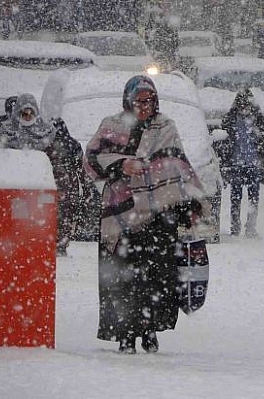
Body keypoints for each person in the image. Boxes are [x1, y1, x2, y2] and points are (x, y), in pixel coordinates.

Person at [84, 75, 211, 354]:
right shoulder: (112, 126)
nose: (145, 106)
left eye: (150, 100)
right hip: (121, 217)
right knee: (123, 277)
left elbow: (178, 167)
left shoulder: (166, 127)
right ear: (128, 101)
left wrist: (188, 206)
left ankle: (150, 330)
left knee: (157, 277)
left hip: (158, 217)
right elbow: (91, 159)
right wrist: (121, 164)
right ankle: (125, 334)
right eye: (139, 100)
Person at [0, 93, 84, 256]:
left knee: (46, 216)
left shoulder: (48, 133)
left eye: (30, 113)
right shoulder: (6, 134)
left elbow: (60, 162)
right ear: (16, 113)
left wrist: (55, 184)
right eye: (23, 113)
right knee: (18, 217)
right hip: (16, 186)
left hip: (43, 186)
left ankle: (53, 244)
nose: (27, 117)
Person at [220, 89, 264, 237]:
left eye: (247, 105)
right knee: (236, 197)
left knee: (253, 198)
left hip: (253, 165)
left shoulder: (257, 121)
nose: (244, 109)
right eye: (241, 105)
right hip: (237, 165)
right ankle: (235, 227)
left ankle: (251, 226)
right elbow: (224, 144)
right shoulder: (231, 120)